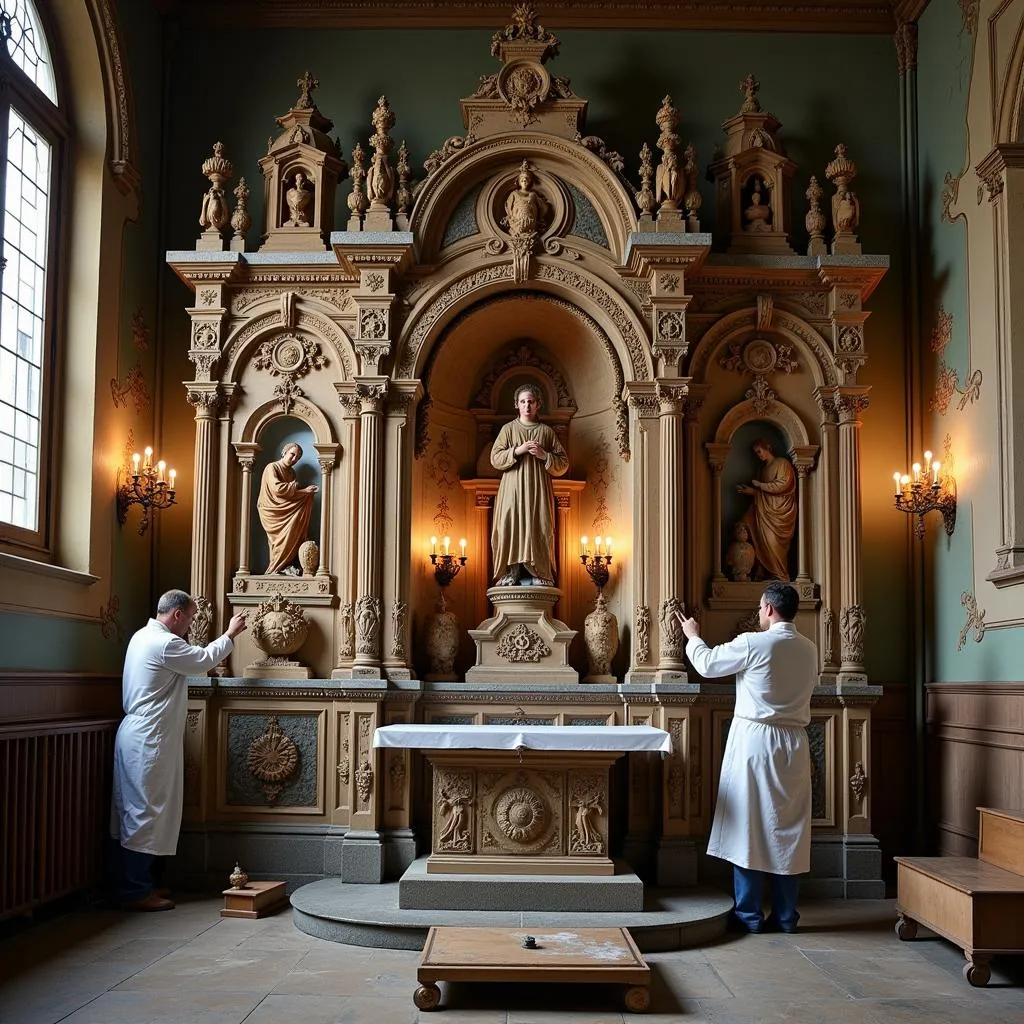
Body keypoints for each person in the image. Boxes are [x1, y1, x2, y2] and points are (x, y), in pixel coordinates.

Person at [676, 582, 817, 934]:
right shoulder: (810, 648)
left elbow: (708, 665)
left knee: (749, 826)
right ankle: (786, 917)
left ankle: (749, 915)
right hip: (795, 744)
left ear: (769, 608)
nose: (758, 613)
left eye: (759, 608)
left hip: (757, 742)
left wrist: (692, 635)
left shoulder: (754, 643)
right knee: (789, 830)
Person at [111, 591, 247, 911]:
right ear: (176, 616)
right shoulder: (165, 643)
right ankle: (134, 890)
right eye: (191, 617)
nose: (191, 624)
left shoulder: (142, 637)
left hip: (141, 735)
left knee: (136, 811)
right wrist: (229, 634)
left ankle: (141, 884)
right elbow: (201, 661)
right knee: (144, 813)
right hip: (148, 737)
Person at [490, 383, 569, 587]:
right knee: (510, 524)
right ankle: (511, 571)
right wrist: (518, 450)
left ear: (538, 405)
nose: (527, 406)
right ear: (516, 405)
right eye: (523, 401)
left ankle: (540, 572)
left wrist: (544, 455)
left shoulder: (546, 432)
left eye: (531, 402)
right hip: (512, 490)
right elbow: (495, 459)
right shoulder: (508, 430)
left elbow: (563, 464)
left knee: (540, 525)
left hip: (538, 490)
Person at [737, 437, 797, 581]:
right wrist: (752, 492)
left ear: (768, 447)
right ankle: (766, 572)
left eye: (760, 451)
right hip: (765, 511)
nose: (759, 455)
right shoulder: (763, 469)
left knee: (774, 544)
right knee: (762, 541)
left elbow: (783, 485)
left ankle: (781, 575)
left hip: (780, 511)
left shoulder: (782, 463)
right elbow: (762, 494)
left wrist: (759, 485)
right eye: (756, 453)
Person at [257, 442, 319, 575]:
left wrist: (306, 492)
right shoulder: (272, 467)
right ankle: (274, 568)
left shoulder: (292, 473)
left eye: (297, 457)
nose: (294, 459)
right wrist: (295, 486)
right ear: (284, 452)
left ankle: (285, 566)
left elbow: (291, 496)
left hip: (288, 511)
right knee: (278, 542)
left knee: (292, 532)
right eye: (292, 454)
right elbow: (277, 489)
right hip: (272, 511)